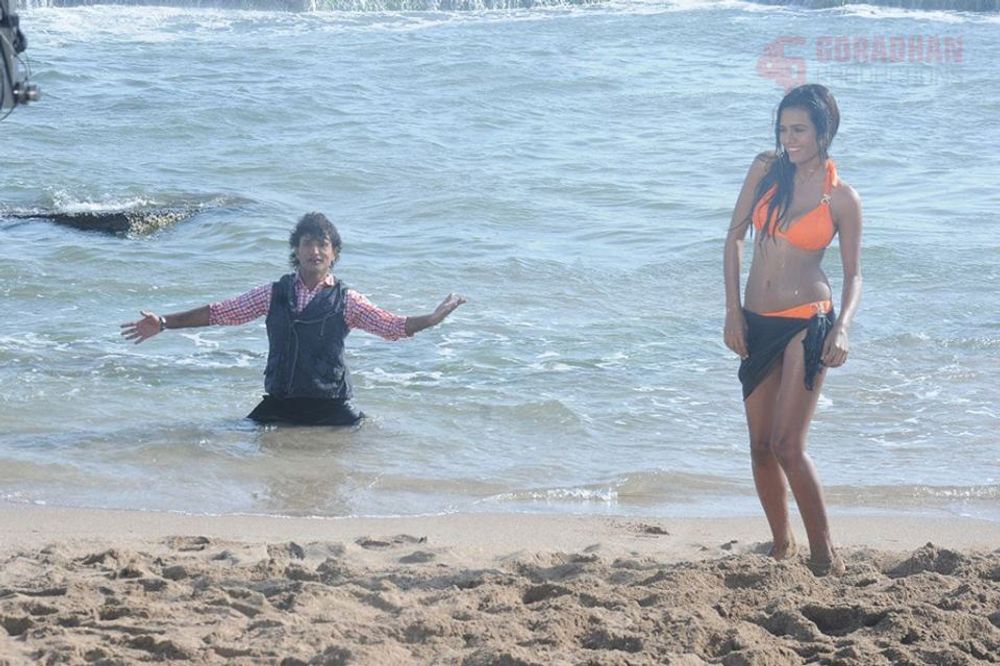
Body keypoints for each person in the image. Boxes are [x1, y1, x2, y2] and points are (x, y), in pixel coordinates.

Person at [121, 212, 465, 426]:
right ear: (296, 251)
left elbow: (390, 326)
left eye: (323, 245)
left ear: (334, 254)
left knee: (368, 439)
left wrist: (431, 319)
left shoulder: (347, 300)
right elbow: (220, 312)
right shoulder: (273, 293)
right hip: (280, 404)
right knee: (226, 438)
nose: (315, 251)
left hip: (330, 407)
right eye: (307, 244)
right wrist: (164, 322)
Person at [723, 84, 862, 576]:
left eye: (799, 129)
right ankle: (782, 546)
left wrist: (842, 327)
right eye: (783, 129)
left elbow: (854, 275)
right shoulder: (766, 169)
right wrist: (733, 312)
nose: (789, 139)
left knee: (787, 444)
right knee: (760, 445)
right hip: (757, 320)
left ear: (824, 131)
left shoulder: (842, 198)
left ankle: (825, 556)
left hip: (810, 320)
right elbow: (734, 238)